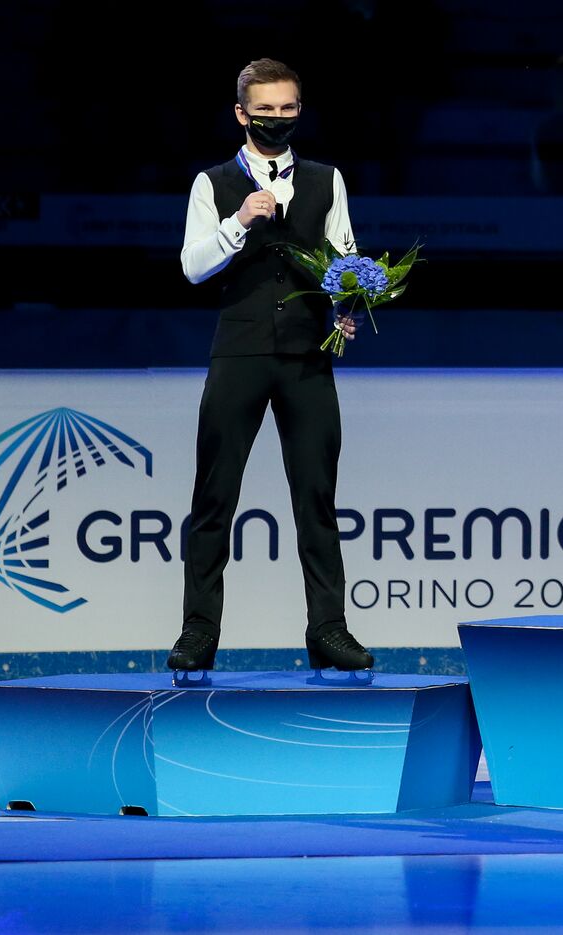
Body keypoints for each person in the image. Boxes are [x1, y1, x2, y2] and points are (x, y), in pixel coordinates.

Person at [169, 58, 373, 678]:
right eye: (266, 109)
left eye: (288, 108)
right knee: (214, 496)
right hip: (240, 352)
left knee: (316, 497)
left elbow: (347, 254)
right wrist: (240, 223)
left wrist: (348, 301)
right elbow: (193, 266)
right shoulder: (213, 183)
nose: (277, 118)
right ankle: (198, 632)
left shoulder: (325, 179)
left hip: (309, 357)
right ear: (241, 113)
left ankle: (329, 631)